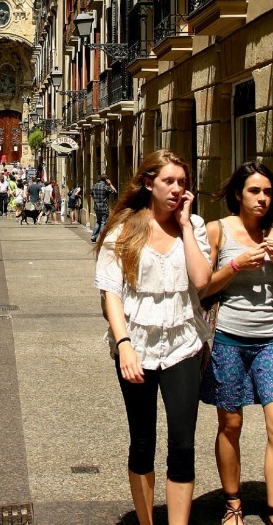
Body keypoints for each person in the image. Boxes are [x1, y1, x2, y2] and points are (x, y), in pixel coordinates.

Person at [94, 150, 212, 525]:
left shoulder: (195, 227)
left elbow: (203, 280)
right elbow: (110, 293)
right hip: (137, 347)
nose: (178, 189)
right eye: (169, 182)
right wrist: (123, 343)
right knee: (142, 441)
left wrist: (188, 227)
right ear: (149, 183)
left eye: (183, 183)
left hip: (183, 346)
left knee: (183, 443)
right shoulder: (123, 230)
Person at [200, 162, 273, 525]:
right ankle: (233, 503)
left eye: (268, 192)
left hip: (270, 341)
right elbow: (203, 288)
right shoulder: (217, 232)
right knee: (230, 423)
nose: (262, 199)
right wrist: (238, 265)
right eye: (255, 191)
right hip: (227, 340)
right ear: (238, 194)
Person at [90, 173, 117, 242]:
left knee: (98, 221)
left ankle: (93, 236)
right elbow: (115, 192)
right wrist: (110, 184)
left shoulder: (95, 185)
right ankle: (102, 238)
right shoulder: (105, 186)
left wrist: (96, 200)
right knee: (103, 222)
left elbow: (91, 195)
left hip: (96, 207)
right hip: (104, 207)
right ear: (106, 180)